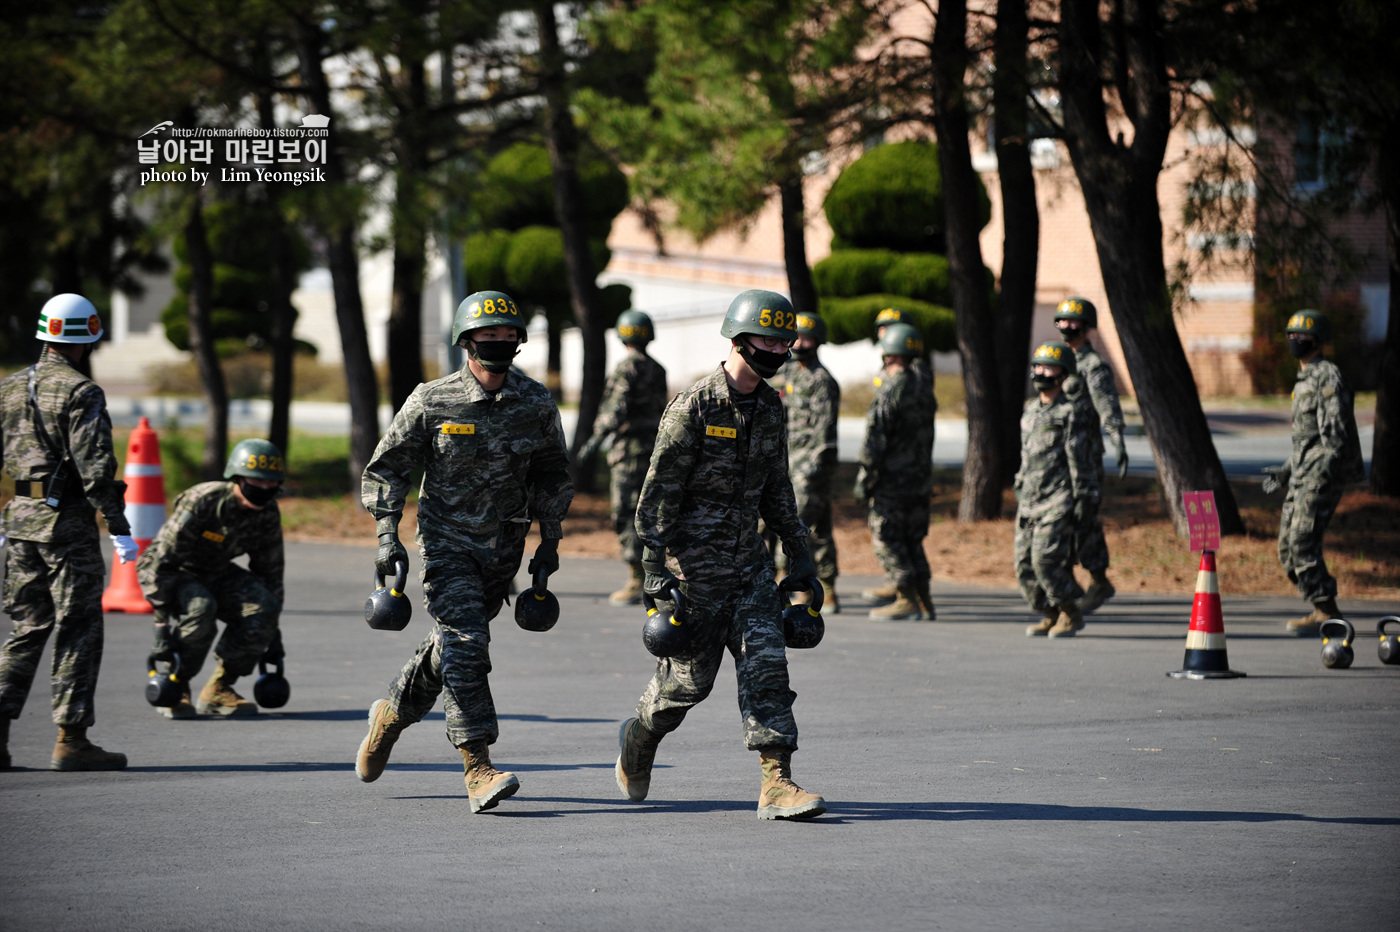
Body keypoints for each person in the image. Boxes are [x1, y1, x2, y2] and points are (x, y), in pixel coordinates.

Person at [355, 289, 573, 813]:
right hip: (446, 546)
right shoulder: (432, 400)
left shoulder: (536, 403)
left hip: (504, 551)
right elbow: (387, 470)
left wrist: (550, 542)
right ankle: (477, 765)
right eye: (487, 336)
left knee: (450, 647)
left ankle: (391, 714)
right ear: (465, 341)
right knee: (468, 643)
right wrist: (388, 537)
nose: (498, 344)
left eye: (507, 335)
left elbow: (552, 475)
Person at [614, 288, 826, 821]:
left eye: (784, 343)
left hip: (750, 568)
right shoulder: (695, 405)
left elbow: (778, 489)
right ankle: (639, 737)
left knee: (767, 670)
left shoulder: (771, 408)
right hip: (694, 574)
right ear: (737, 338)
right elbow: (656, 496)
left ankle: (777, 781)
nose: (777, 351)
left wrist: (799, 554)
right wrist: (654, 570)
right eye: (766, 340)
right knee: (687, 686)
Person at [0, 294, 134, 771]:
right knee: (78, 627)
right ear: (89, 336)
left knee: (27, 626)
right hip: (66, 527)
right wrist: (118, 528)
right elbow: (95, 470)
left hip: (19, 521)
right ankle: (71, 739)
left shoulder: (10, 387)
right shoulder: (82, 392)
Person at [137, 439, 286, 719]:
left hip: (215, 570)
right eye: (256, 482)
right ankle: (176, 684)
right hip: (171, 569)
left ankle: (219, 687)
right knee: (200, 607)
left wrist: (271, 629)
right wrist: (160, 625)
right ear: (237, 478)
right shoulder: (204, 500)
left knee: (263, 605)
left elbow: (271, 573)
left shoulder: (267, 514)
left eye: (271, 484)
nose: (264, 489)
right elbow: (163, 561)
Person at [1261, 309, 1365, 636]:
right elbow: (1307, 438)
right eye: (1290, 335)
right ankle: (1321, 608)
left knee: (1303, 541)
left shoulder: (1327, 376)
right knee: (1286, 549)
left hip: (1320, 477)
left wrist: (1321, 477)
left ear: (1318, 341)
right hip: (1301, 474)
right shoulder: (1304, 379)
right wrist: (1285, 471)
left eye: (1302, 336)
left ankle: (1328, 613)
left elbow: (1334, 439)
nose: (1295, 340)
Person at [581, 310, 669, 605]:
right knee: (650, 512)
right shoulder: (658, 369)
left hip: (628, 452)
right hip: (651, 450)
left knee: (626, 513)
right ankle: (653, 572)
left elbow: (615, 407)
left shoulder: (625, 368)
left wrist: (597, 436)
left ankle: (637, 578)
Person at [1016, 341, 1099, 638]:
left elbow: (1081, 459)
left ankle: (1070, 613)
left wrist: (1084, 497)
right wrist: (1019, 482)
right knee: (1024, 566)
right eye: (1037, 366)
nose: (1041, 372)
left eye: (1048, 367)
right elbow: (1027, 455)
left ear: (1064, 374)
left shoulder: (1071, 413)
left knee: (1045, 560)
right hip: (1029, 500)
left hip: (1059, 500)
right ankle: (1049, 613)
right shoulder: (1030, 412)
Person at [855, 323, 937, 621]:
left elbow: (875, 436)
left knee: (887, 535)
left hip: (892, 478)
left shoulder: (893, 386)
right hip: (919, 478)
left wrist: (865, 476)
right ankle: (924, 598)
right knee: (912, 537)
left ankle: (905, 596)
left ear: (889, 356)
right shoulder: (924, 384)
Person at [1053, 296, 1125, 614]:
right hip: (1061, 459)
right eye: (1063, 321)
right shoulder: (1061, 362)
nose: (1067, 326)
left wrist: (1117, 438)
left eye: (1074, 321)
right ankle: (1067, 586)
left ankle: (1098, 580)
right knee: (1062, 519)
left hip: (1085, 460)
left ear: (1087, 326)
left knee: (1084, 519)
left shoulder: (1093, 366)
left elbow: (1106, 403)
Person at [772, 311, 841, 611]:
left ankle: (795, 583)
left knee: (798, 525)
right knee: (819, 528)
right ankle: (825, 585)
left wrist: (812, 470)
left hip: (811, 467)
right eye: (796, 337)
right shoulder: (790, 373)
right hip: (789, 462)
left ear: (818, 341)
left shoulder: (821, 380)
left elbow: (824, 434)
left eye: (807, 337)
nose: (800, 343)